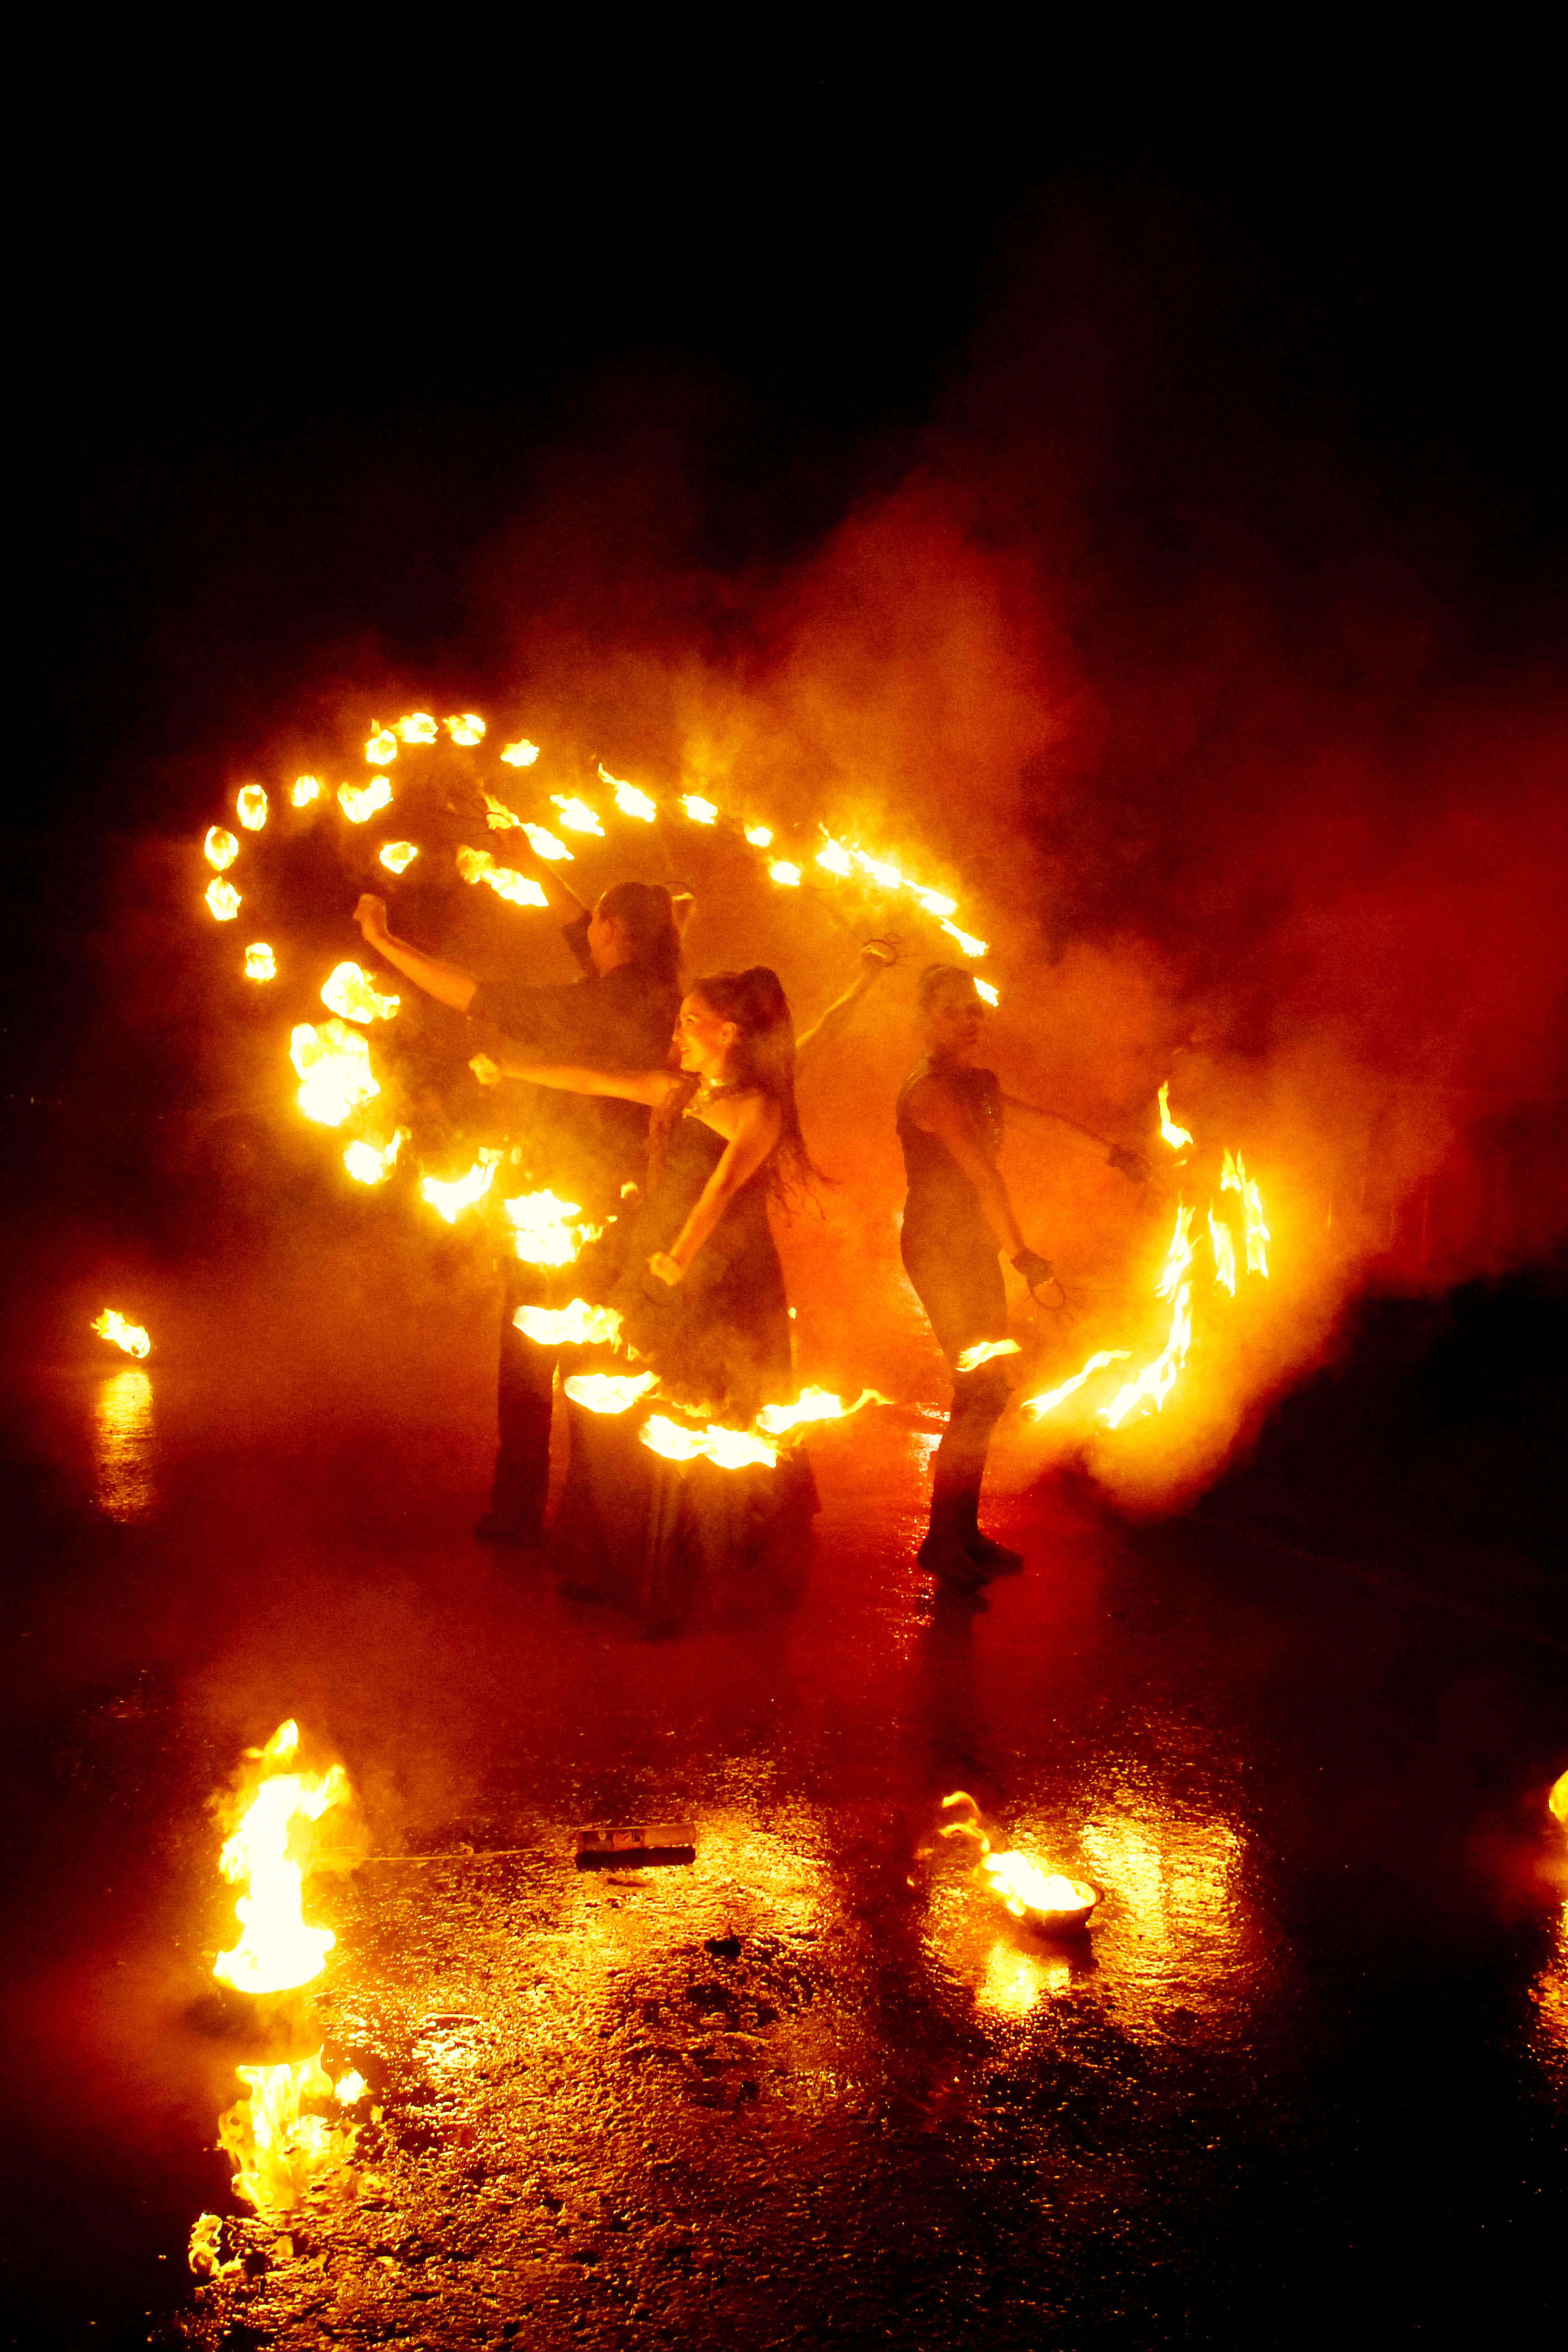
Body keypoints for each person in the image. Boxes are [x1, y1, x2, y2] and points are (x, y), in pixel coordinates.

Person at [353, 850, 687, 1549]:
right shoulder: (661, 988)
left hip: (560, 1206)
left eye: (595, 921)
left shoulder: (584, 1007)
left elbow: (475, 994)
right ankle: (600, 1523)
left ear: (614, 930)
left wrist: (387, 946)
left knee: (534, 1369)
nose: (584, 927)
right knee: (605, 1362)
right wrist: (531, 863)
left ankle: (524, 1518)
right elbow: (577, 923)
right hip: (633, 1202)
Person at [471, 966, 818, 1632]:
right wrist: (511, 1068)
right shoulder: (680, 1093)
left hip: (721, 1278)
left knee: (705, 1419)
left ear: (730, 1032)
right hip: (654, 1267)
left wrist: (679, 1260)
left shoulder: (756, 1109)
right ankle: (621, 1567)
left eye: (690, 1020)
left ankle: (694, 1582)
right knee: (634, 1414)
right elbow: (595, 1078)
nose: (676, 1030)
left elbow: (719, 1193)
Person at [897, 963, 1149, 1608]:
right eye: (954, 1010)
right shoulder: (930, 1092)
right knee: (978, 1389)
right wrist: (1023, 1255)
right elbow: (982, 1176)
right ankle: (944, 1540)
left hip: (971, 1246)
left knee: (986, 1392)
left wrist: (1112, 1153)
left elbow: (1040, 1122)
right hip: (940, 1249)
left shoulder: (976, 1083)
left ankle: (959, 1533)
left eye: (974, 1009)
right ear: (926, 1018)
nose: (969, 1020)